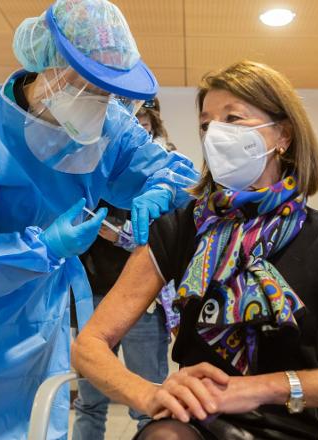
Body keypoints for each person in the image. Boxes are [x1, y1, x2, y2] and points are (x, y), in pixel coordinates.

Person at [72, 61, 318, 440]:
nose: (215, 135)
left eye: (233, 119)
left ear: (283, 135)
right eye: (206, 125)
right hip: (194, 418)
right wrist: (148, 393)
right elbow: (89, 345)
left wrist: (262, 387)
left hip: (288, 419)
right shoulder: (179, 228)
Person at [0, 0, 198, 438]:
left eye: (109, 89)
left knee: (38, 425)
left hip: (43, 326)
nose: (102, 100)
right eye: (91, 84)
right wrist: (44, 247)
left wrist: (161, 188)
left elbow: (171, 170)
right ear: (50, 65)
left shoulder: (109, 124)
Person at [73, 99, 177, 440]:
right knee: (89, 401)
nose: (133, 130)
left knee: (150, 402)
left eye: (141, 124)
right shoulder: (89, 160)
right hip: (93, 291)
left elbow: (169, 239)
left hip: (140, 299)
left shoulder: (165, 172)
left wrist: (122, 234)